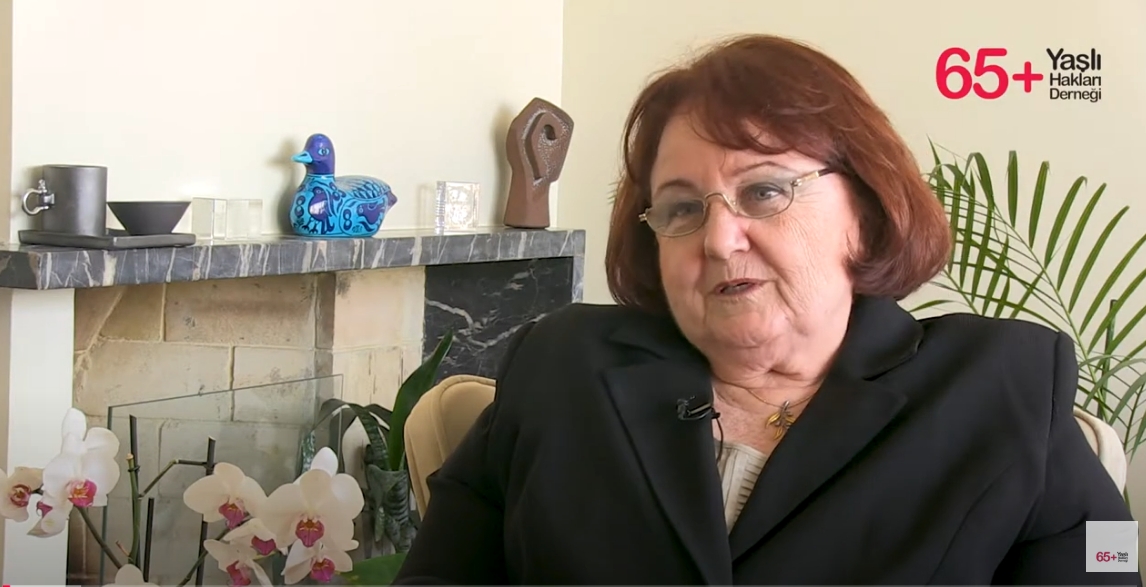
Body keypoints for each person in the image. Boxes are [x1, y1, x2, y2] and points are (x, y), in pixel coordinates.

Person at [394, 34, 1140, 585]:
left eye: (764, 190)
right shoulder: (561, 367)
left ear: (864, 214)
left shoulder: (1004, 384)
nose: (719, 238)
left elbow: (1109, 559)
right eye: (681, 208)